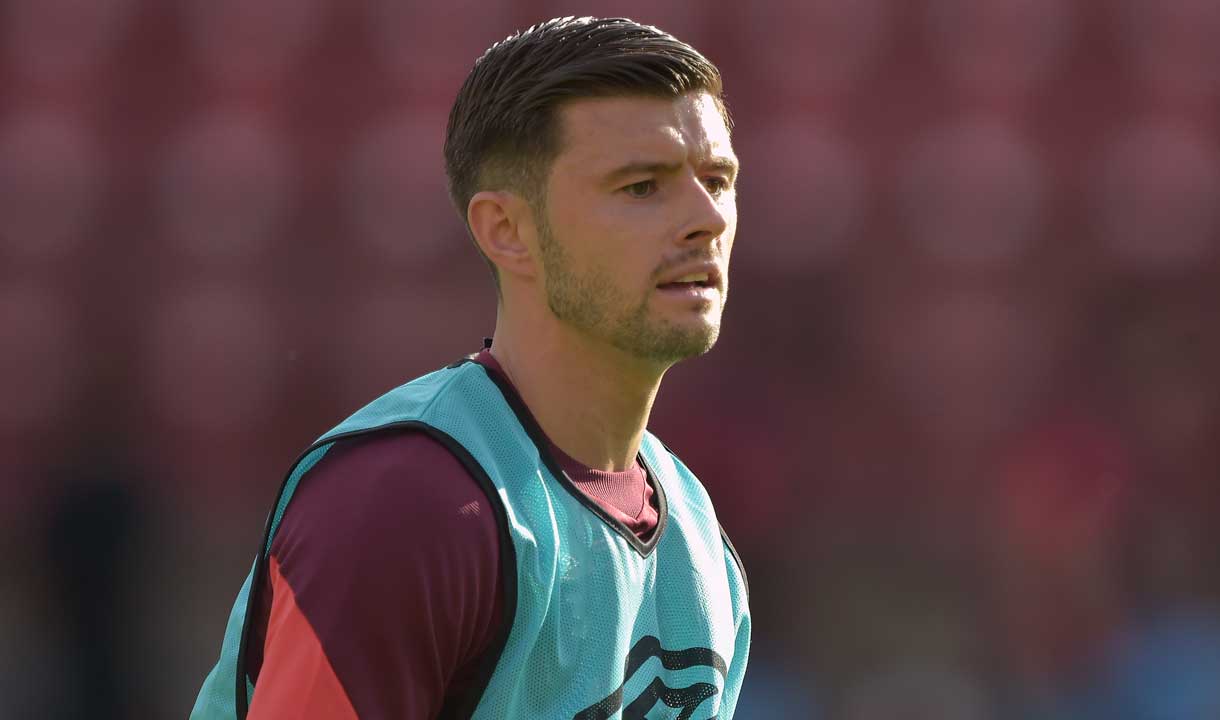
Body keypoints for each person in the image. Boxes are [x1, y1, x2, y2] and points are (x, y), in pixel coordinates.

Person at [191, 16, 751, 719]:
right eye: (642, 186)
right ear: (506, 230)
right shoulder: (404, 504)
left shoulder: (700, 540)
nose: (707, 218)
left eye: (717, 179)